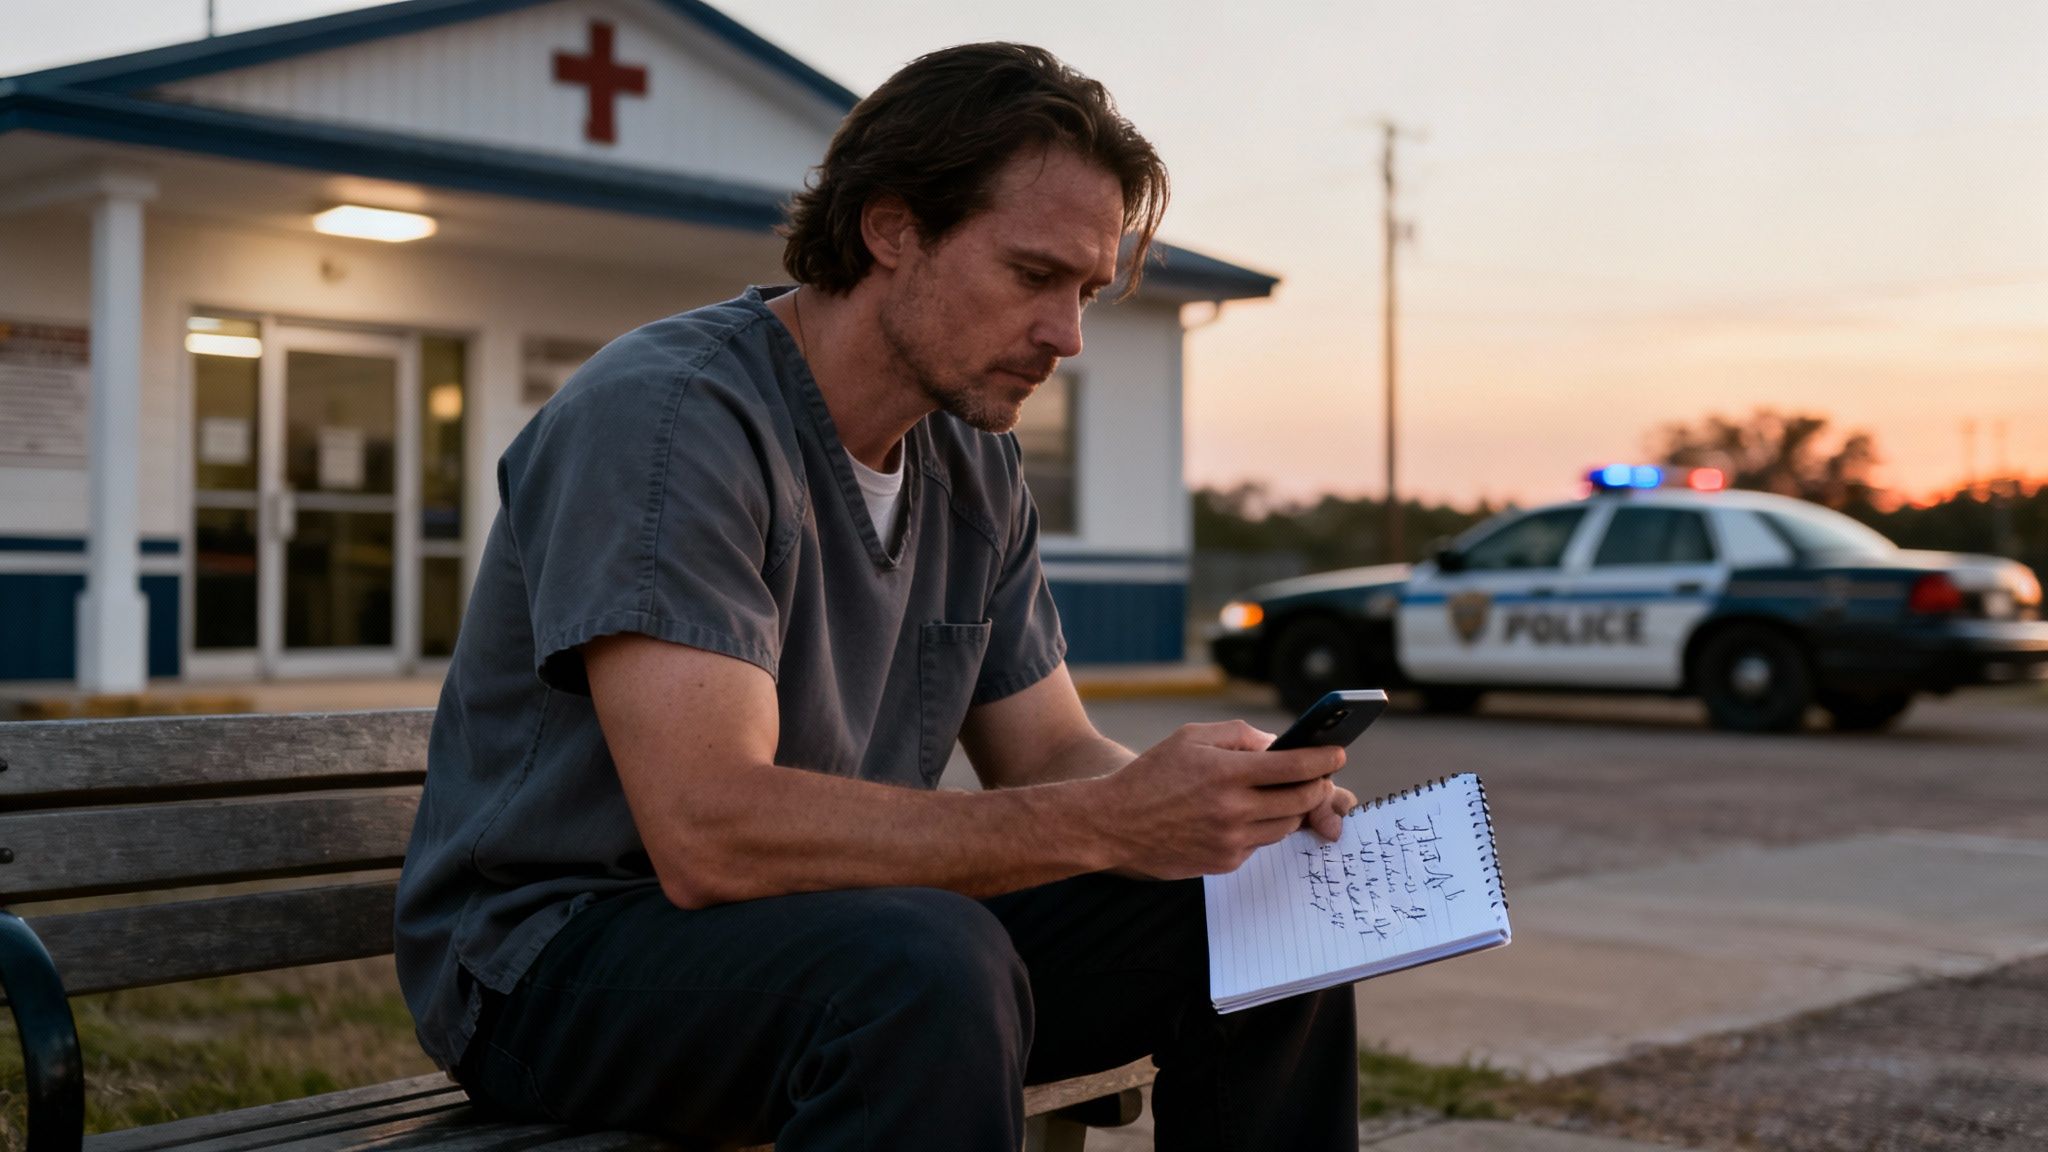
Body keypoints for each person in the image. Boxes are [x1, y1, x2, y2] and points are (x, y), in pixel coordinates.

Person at [394, 41, 1361, 1151]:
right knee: (920, 968)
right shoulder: (669, 420)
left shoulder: (971, 459)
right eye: (1033, 275)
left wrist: (1212, 805)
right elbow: (710, 834)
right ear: (892, 229)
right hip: (559, 961)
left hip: (840, 933)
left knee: (1262, 911)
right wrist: (1109, 822)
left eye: (1087, 292)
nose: (1068, 336)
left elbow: (1048, 752)